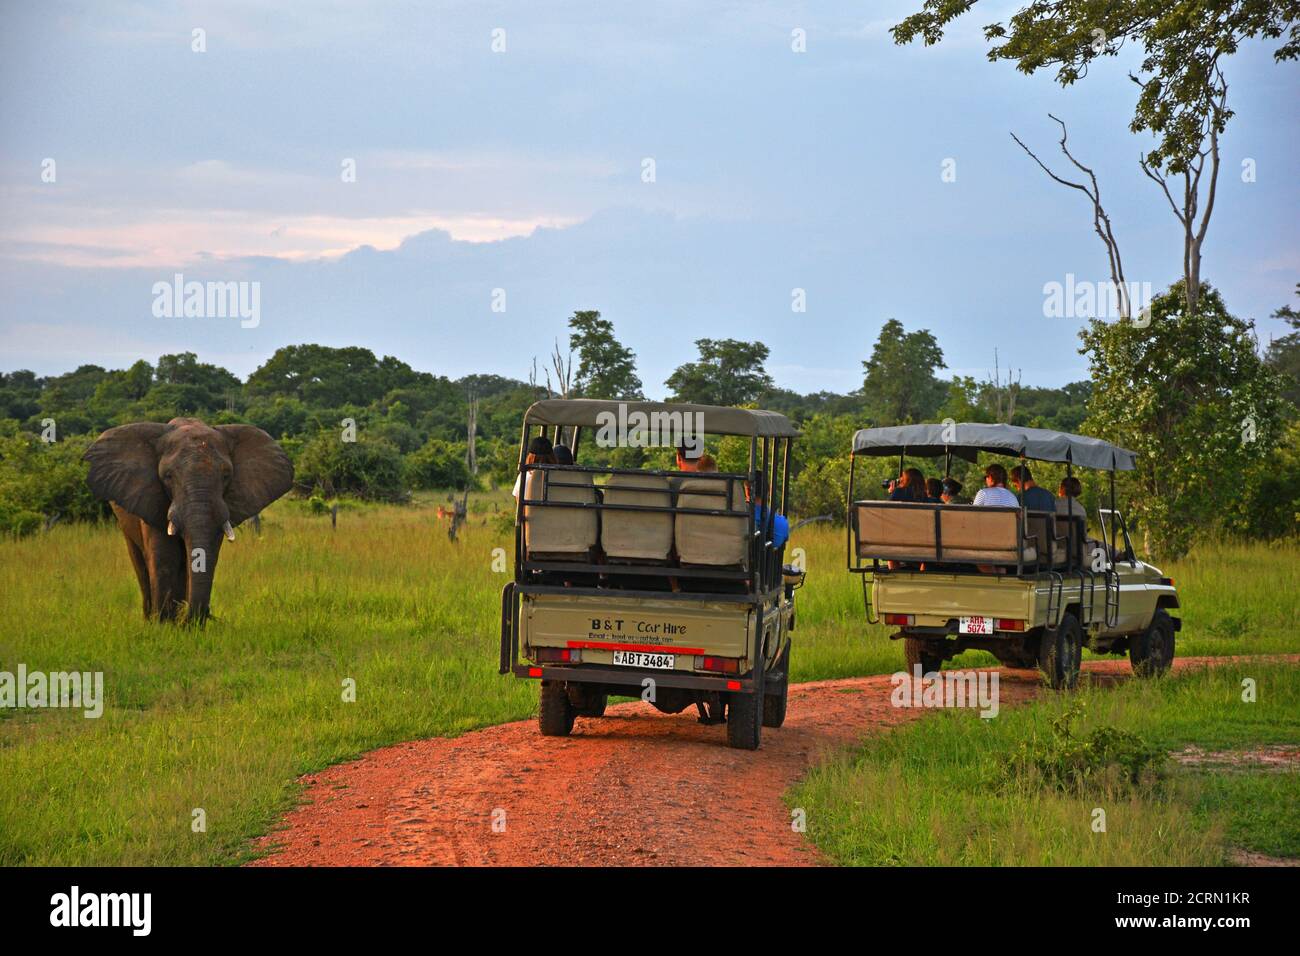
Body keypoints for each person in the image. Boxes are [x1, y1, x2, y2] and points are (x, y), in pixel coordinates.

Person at [512, 435, 556, 500]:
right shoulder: (559, 476)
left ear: (530, 457)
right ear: (552, 456)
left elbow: (519, 504)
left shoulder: (524, 476)